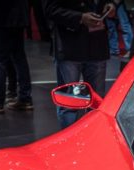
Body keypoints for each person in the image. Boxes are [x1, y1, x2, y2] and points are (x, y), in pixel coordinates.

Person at [44, 0, 113, 128]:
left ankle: (93, 140)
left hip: (96, 45)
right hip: (69, 46)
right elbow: (50, 10)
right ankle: (69, 143)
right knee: (69, 104)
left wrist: (110, 4)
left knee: (97, 102)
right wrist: (80, 18)